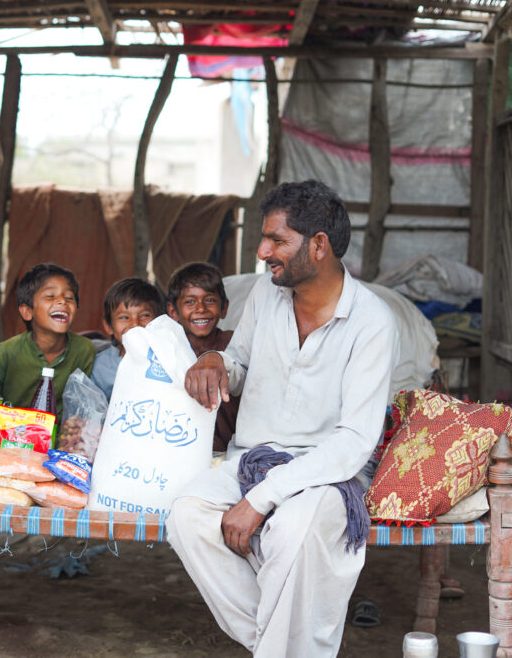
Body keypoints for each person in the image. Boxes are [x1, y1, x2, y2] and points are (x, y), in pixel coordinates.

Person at [168, 180, 398, 657]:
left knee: (294, 529)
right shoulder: (265, 296)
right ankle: (284, 648)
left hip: (325, 477)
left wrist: (261, 499)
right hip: (251, 460)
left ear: (318, 246)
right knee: (186, 516)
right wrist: (215, 361)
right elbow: (241, 363)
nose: (262, 251)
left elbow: (354, 441)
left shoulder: (373, 322)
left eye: (276, 240)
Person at [0, 263, 95, 421]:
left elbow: (84, 405)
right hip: (11, 438)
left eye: (69, 297)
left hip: (58, 442)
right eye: (50, 296)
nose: (62, 301)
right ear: (27, 311)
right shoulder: (8, 351)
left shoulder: (84, 350)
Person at [165, 262, 240, 452]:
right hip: (175, 450)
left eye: (209, 300)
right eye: (190, 302)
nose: (200, 309)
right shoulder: (166, 350)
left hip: (227, 451)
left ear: (224, 308)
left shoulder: (236, 345)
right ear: (174, 312)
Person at [90, 277, 164, 400]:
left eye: (145, 315)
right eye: (124, 317)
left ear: (160, 321)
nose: (135, 324)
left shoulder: (169, 358)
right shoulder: (101, 367)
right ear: (109, 326)